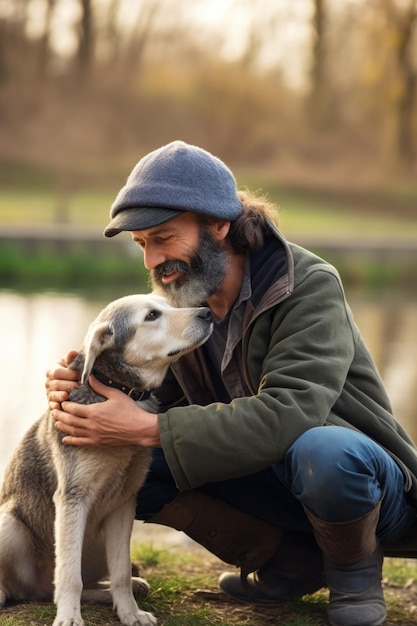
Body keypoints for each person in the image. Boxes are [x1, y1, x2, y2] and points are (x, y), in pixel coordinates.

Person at [46, 140, 417, 626]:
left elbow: (291, 413)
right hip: (271, 477)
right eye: (142, 245)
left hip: (362, 483)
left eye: (163, 237)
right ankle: (287, 562)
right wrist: (86, 390)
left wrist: (147, 429)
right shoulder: (186, 304)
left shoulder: (309, 286)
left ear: (219, 224)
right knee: (128, 463)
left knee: (321, 452)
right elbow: (158, 400)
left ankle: (354, 572)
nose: (151, 262)